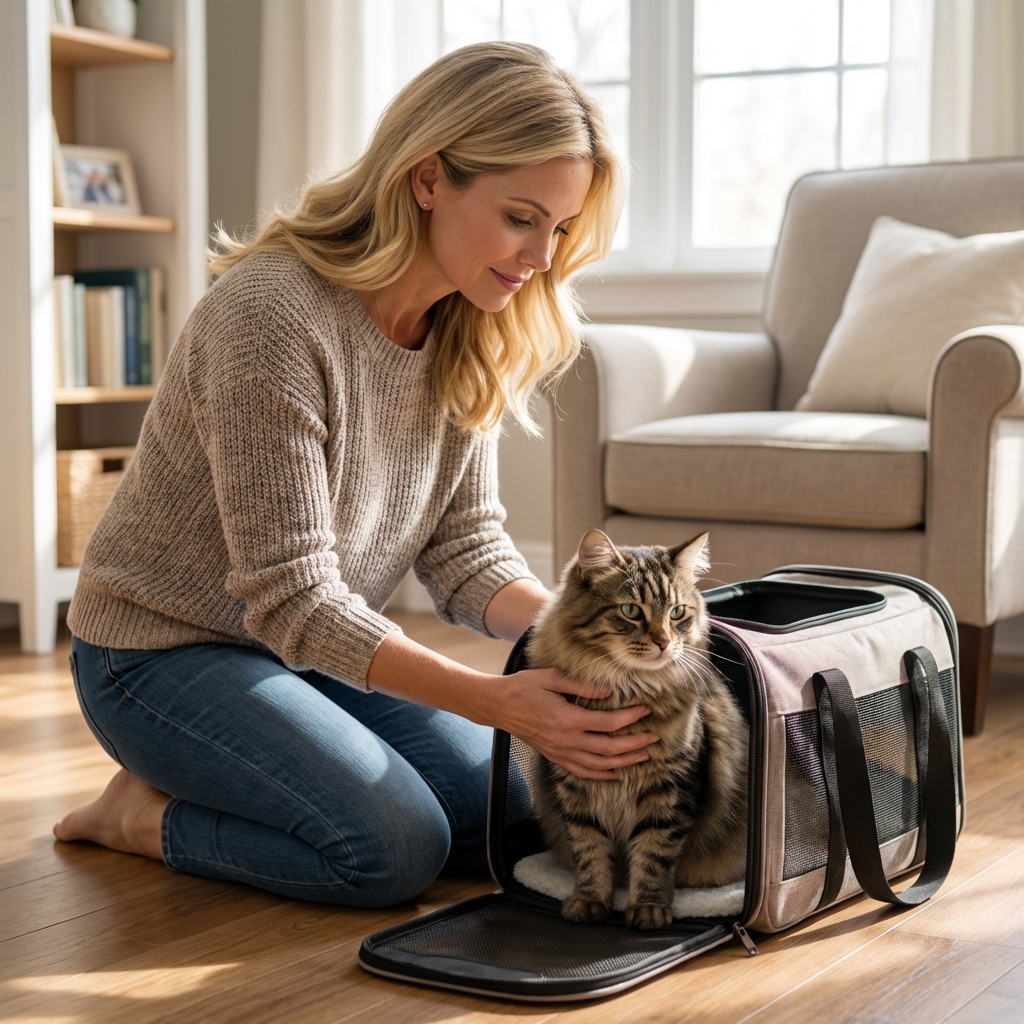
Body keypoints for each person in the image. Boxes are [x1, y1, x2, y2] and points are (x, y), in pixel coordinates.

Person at [55, 42, 659, 908]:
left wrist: (602, 634)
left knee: (515, 821)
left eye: (560, 230)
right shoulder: (272, 315)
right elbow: (293, 595)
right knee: (392, 849)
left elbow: (466, 552)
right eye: (521, 217)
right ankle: (137, 818)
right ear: (427, 179)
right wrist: (499, 702)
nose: (541, 257)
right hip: (160, 654)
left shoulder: (470, 324)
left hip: (310, 653)